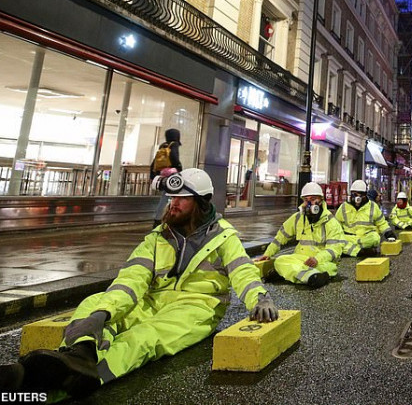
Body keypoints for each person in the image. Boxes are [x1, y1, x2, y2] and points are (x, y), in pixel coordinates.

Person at [3, 168, 277, 397]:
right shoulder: (157, 237)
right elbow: (131, 279)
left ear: (201, 202)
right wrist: (103, 313)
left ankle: (80, 376)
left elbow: (243, 272)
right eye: (172, 197)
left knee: (146, 336)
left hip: (197, 307)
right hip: (152, 300)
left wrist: (259, 298)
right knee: (95, 303)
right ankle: (78, 352)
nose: (174, 204)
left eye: (182, 198)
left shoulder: (225, 238)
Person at [256, 181, 345, 288]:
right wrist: (268, 254)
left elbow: (335, 249)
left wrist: (317, 259)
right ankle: (311, 277)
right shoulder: (298, 217)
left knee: (328, 268)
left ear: (321, 200)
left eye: (313, 200)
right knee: (280, 260)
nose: (309, 204)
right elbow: (281, 236)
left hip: (321, 262)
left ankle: (291, 274)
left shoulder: (331, 222)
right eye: (306, 200)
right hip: (301, 259)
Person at [336, 179, 395, 257]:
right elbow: (336, 226)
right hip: (349, 237)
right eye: (354, 194)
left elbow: (381, 223)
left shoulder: (373, 206)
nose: (357, 197)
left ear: (365, 194)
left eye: (360, 194)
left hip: (366, 237)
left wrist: (388, 233)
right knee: (337, 240)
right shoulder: (344, 207)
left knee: (375, 238)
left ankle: (350, 250)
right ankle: (360, 251)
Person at [150, 128, 182, 226]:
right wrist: (179, 167)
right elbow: (174, 157)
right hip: (172, 174)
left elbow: (155, 160)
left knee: (165, 196)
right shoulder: (174, 145)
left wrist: (153, 174)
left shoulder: (163, 145)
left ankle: (158, 218)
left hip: (162, 174)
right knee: (171, 196)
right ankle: (162, 219)